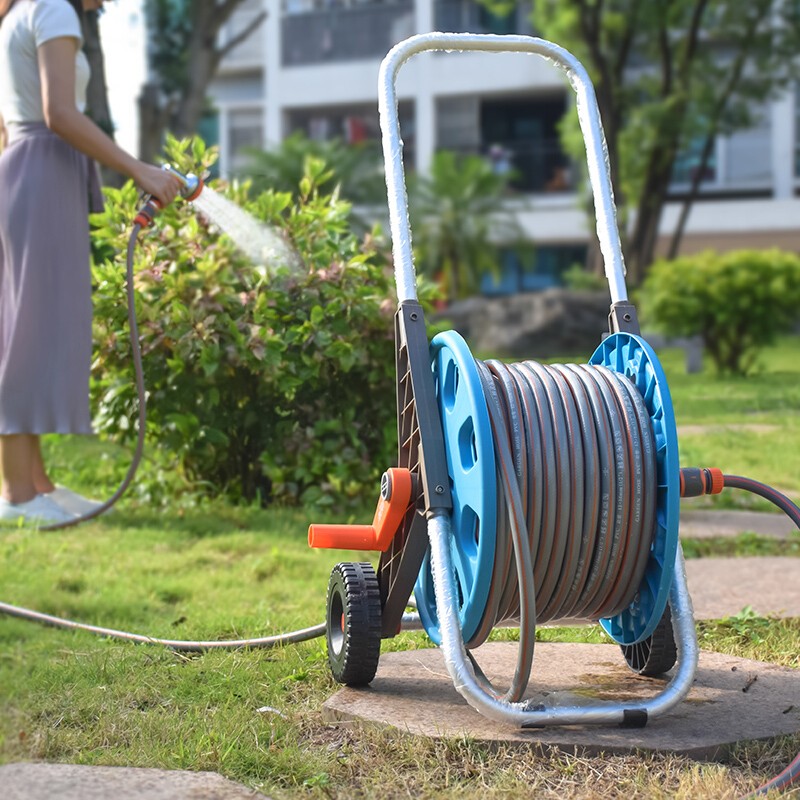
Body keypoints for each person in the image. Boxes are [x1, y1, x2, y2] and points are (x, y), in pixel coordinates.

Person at [0, 0, 183, 524]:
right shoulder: (53, 9)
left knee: (26, 328)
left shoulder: (17, 13)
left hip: (23, 173)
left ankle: (37, 485)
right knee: (28, 336)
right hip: (41, 172)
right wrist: (139, 170)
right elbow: (60, 113)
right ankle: (16, 493)